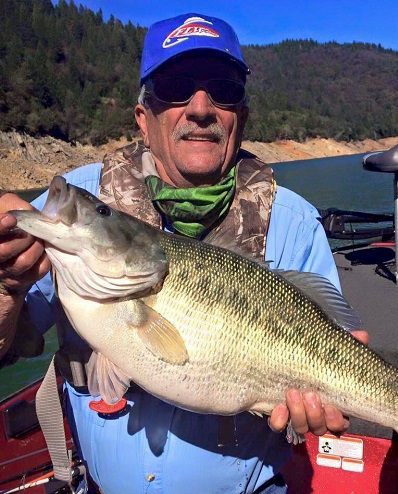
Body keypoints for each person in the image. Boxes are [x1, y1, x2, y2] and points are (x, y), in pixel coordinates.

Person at [0, 13, 368, 494]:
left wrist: (323, 404)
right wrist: (7, 286)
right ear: (143, 117)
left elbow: (334, 341)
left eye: (223, 88)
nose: (200, 108)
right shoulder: (83, 206)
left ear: (243, 115)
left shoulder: (294, 222)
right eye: (175, 86)